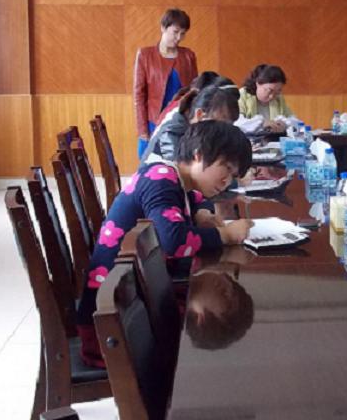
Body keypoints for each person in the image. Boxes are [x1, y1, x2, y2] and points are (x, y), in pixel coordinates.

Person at [77, 120, 253, 367]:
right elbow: (172, 241)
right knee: (214, 355)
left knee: (201, 296)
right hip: (112, 326)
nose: (227, 181)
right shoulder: (160, 180)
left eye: (233, 176)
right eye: (226, 168)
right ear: (198, 154)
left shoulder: (174, 177)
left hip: (132, 300)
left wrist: (202, 212)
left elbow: (195, 198)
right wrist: (225, 236)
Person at [133, 8, 198, 158]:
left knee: (179, 163)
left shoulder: (188, 56)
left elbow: (195, 92)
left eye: (183, 33)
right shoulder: (145, 55)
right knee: (149, 164)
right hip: (153, 123)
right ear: (163, 27)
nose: (178, 37)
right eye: (175, 32)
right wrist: (143, 130)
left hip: (180, 123)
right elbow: (139, 96)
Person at [143, 78, 241, 163]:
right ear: (200, 115)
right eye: (220, 126)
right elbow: (180, 173)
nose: (222, 132)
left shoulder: (195, 129)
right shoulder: (172, 134)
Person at [238, 65, 294, 133]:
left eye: (278, 91)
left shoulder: (278, 98)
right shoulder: (242, 95)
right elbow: (237, 123)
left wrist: (285, 124)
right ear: (258, 83)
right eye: (269, 91)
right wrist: (262, 123)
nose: (272, 96)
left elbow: (294, 121)